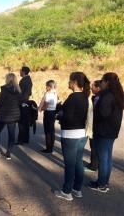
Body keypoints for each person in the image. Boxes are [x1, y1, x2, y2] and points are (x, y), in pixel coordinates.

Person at [54, 72, 90, 201]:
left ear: (74, 82)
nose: (68, 83)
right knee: (78, 162)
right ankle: (77, 189)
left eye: (69, 81)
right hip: (82, 134)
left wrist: (59, 116)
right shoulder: (85, 97)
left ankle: (66, 192)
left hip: (70, 135)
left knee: (69, 164)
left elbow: (67, 117)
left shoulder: (73, 97)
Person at [88, 73, 123, 193]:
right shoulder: (116, 94)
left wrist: (91, 116)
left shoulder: (107, 95)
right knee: (107, 158)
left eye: (102, 81)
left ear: (107, 82)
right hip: (111, 130)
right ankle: (103, 182)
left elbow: (103, 113)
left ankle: (102, 184)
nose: (100, 83)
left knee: (103, 158)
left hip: (104, 130)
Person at [0, 73, 21, 160]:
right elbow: (19, 103)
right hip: (13, 115)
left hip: (3, 115)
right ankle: (8, 154)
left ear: (7, 79)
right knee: (11, 135)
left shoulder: (5, 89)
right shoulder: (18, 90)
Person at [84, 80, 101, 172]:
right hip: (94, 125)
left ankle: (94, 166)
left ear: (98, 88)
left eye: (93, 86)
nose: (91, 88)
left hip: (96, 126)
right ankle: (93, 163)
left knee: (94, 146)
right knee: (93, 145)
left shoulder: (98, 98)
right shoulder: (96, 97)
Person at [38, 80, 58, 153]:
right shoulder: (55, 93)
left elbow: (45, 106)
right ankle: (51, 147)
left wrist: (40, 109)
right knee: (52, 130)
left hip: (48, 113)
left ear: (49, 86)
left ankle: (48, 148)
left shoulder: (48, 94)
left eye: (46, 86)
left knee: (47, 131)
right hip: (53, 112)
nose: (45, 87)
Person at [17, 66, 33, 144]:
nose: (19, 72)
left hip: (23, 103)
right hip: (26, 102)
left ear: (23, 72)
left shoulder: (24, 80)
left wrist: (21, 102)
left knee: (21, 122)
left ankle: (21, 140)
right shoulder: (29, 79)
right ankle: (25, 139)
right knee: (25, 122)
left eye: (20, 71)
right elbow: (29, 92)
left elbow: (22, 93)